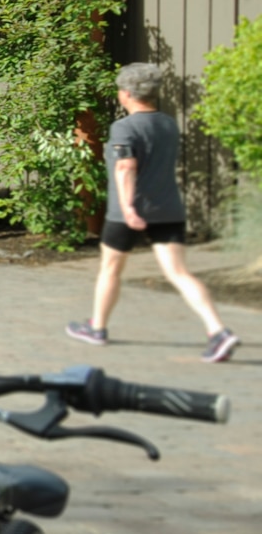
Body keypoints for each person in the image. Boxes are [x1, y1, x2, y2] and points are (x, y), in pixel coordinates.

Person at [67, 63, 237, 361]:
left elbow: (125, 168)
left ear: (128, 94)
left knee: (110, 269)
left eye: (121, 90)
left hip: (126, 212)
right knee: (179, 272)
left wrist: (129, 208)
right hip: (168, 209)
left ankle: (97, 328)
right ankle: (218, 331)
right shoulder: (168, 124)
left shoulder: (125, 127)